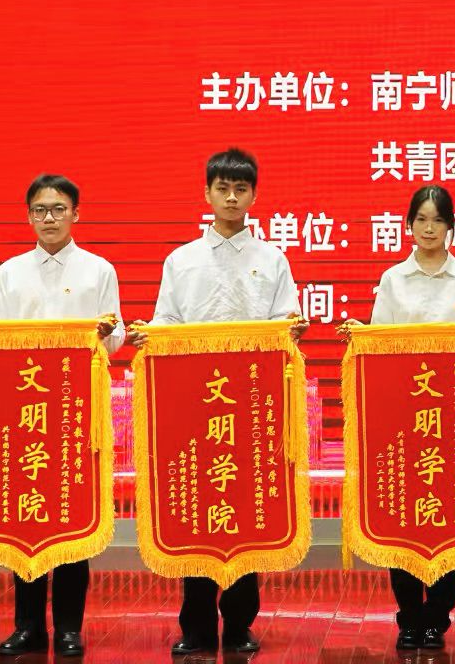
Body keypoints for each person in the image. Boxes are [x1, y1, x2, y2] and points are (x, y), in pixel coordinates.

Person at [133, 147, 305, 658]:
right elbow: (167, 321)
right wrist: (151, 336)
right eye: (222, 188)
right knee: (195, 509)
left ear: (254, 195)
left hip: (250, 407)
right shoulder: (181, 260)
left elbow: (285, 320)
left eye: (241, 189)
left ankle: (240, 624)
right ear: (206, 193)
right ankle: (196, 625)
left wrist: (291, 329)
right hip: (194, 408)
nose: (231, 198)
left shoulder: (272, 259)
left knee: (246, 509)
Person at [345, 185, 455, 651]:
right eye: (421, 219)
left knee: (449, 515)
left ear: (450, 227)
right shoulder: (393, 278)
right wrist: (361, 336)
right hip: (403, 416)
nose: (429, 228)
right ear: (408, 225)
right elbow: (380, 344)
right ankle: (408, 616)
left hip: (449, 418)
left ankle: (437, 617)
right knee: (403, 515)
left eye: (438, 220)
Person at [0, 174, 123, 659]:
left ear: (75, 214)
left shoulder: (98, 269)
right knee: (25, 520)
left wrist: (105, 333)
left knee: (73, 520)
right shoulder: (10, 272)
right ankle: (27, 626)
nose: (49, 218)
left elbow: (116, 340)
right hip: (25, 414)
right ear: (29, 216)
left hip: (76, 412)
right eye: (40, 210)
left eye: (59, 209)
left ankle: (69, 627)